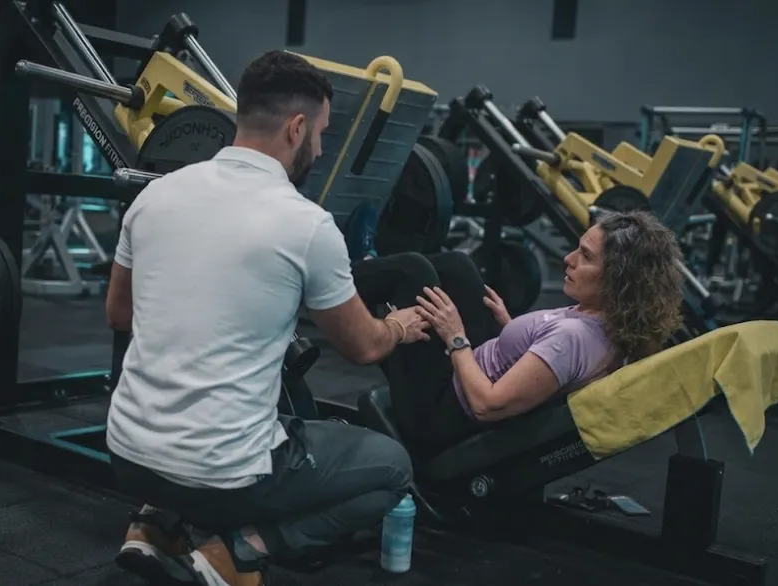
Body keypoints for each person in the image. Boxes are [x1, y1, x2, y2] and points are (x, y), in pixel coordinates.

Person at [104, 50, 431, 586]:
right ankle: (237, 554)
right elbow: (364, 347)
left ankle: (154, 525)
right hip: (222, 476)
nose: (321, 148)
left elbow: (119, 314)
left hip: (127, 456)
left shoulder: (153, 196)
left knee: (236, 419)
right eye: (322, 133)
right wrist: (401, 325)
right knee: (392, 469)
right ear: (297, 127)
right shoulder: (306, 224)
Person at [352, 210, 685, 455]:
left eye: (585, 257)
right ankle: (371, 272)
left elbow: (486, 405)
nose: (568, 259)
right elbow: (549, 362)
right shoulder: (608, 320)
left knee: (413, 270)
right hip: (477, 371)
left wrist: (455, 337)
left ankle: (346, 277)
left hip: (438, 412)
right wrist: (513, 328)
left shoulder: (572, 340)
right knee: (458, 265)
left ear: (618, 281)